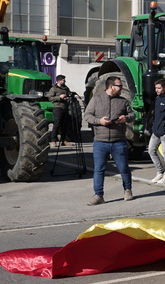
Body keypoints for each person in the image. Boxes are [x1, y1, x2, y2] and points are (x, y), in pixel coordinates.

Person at [83, 75, 134, 205]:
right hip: (100, 141)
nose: (121, 88)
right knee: (99, 170)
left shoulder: (123, 101)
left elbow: (132, 115)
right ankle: (98, 195)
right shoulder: (96, 99)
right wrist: (99, 121)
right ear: (111, 87)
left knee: (124, 168)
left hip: (119, 141)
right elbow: (87, 116)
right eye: (120, 86)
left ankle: (127, 190)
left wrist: (126, 118)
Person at [48, 74, 74, 146]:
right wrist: (59, 97)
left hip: (65, 108)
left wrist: (68, 97)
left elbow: (69, 94)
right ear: (59, 81)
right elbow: (50, 98)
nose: (65, 81)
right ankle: (53, 140)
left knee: (65, 125)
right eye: (63, 79)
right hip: (57, 108)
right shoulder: (54, 89)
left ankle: (64, 140)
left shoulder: (66, 88)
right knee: (57, 124)